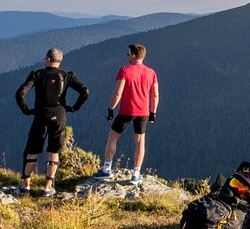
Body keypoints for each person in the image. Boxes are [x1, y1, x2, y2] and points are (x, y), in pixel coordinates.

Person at [14, 47, 89, 196]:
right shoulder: (67, 75)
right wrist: (74, 108)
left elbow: (20, 93)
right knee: (54, 151)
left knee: (32, 150)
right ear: (59, 61)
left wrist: (27, 110)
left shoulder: (37, 74)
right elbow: (85, 91)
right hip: (59, 115)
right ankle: (48, 187)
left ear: (47, 60)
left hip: (40, 115)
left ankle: (25, 186)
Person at [95, 43, 159, 184]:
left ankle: (106, 169)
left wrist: (111, 109)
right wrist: (153, 112)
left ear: (134, 55)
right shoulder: (151, 72)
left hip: (126, 111)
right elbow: (155, 95)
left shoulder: (124, 71)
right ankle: (136, 174)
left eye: (128, 53)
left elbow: (118, 92)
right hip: (143, 112)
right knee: (140, 141)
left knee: (112, 138)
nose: (127, 56)